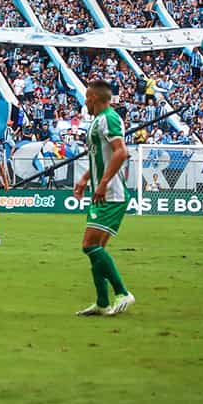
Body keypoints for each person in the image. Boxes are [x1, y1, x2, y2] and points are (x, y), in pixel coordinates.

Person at [73, 80, 135, 317]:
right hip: (102, 191)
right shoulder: (98, 122)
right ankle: (102, 302)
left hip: (111, 194)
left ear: (96, 99)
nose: (85, 102)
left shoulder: (109, 118)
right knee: (97, 249)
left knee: (89, 245)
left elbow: (121, 152)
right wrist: (86, 178)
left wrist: (102, 183)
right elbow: (100, 156)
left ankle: (122, 292)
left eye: (87, 98)